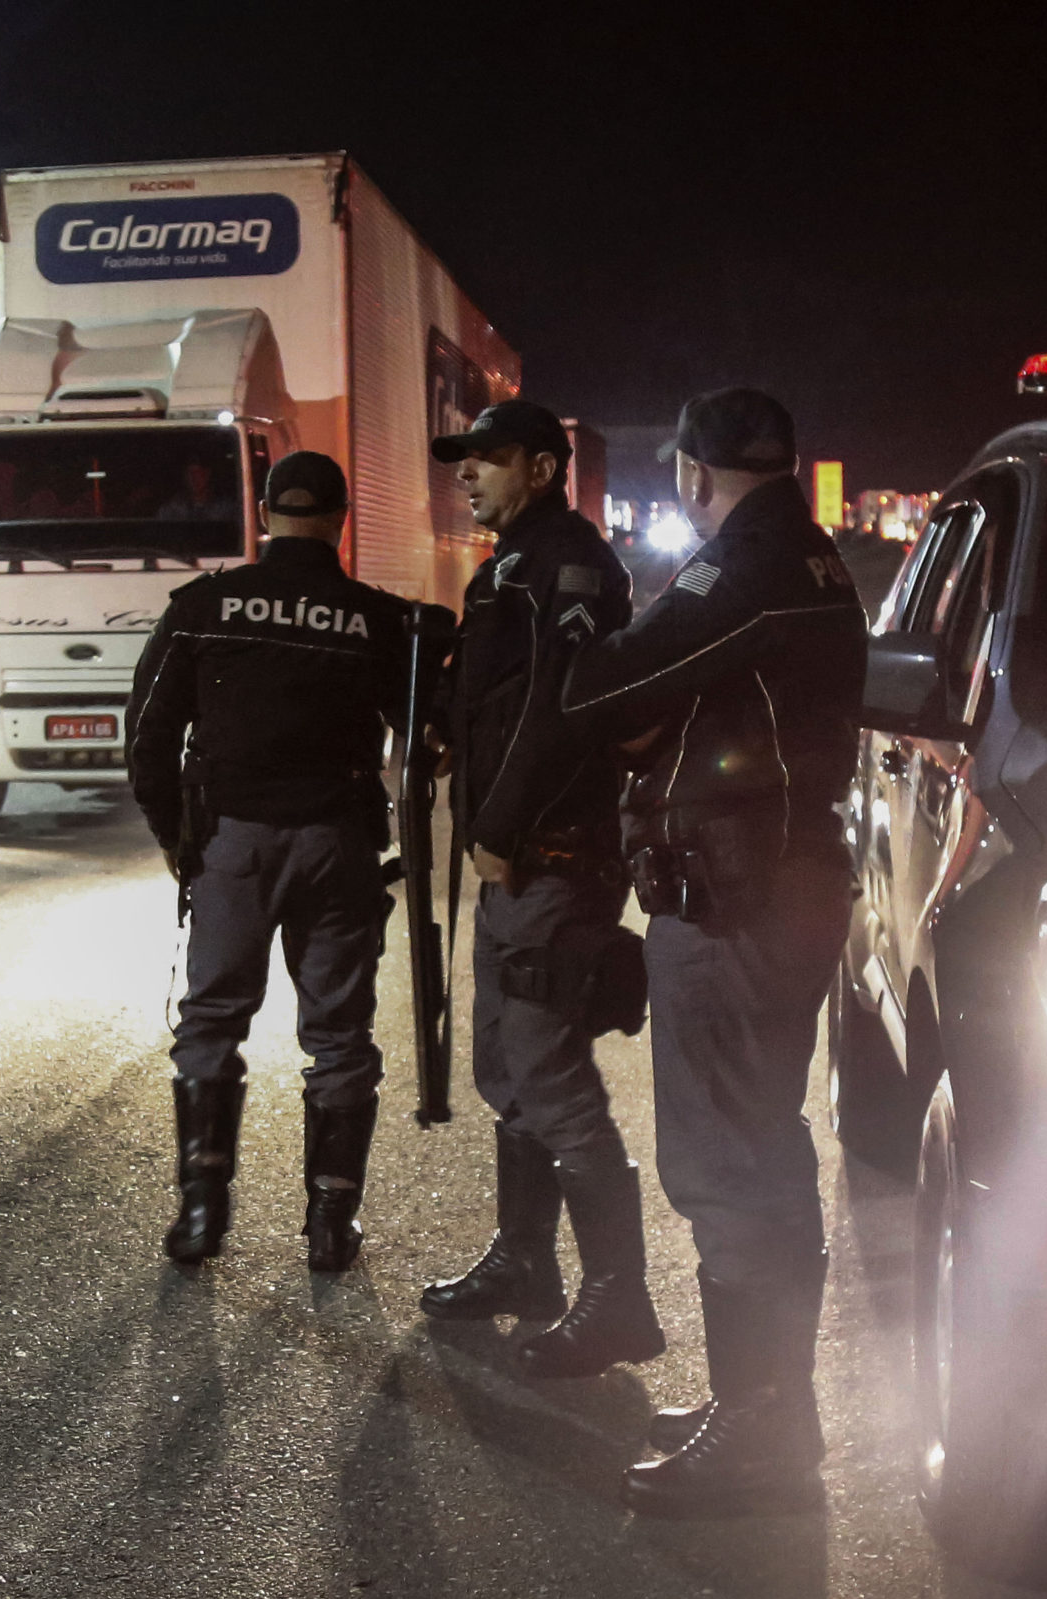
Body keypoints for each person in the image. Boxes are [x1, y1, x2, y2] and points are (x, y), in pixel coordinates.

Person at [559, 387, 869, 1517]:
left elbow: (604, 687)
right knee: (766, 1149)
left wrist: (585, 643)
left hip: (738, 898)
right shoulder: (815, 557)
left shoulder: (744, 567)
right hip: (785, 881)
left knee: (727, 1164)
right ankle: (770, 1404)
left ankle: (760, 1428)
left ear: (693, 473)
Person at [415, 400, 662, 1380]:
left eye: (489, 459)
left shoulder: (567, 566)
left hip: (551, 858)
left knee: (552, 1082)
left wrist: (501, 826)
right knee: (508, 1071)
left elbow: (560, 710)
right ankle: (526, 1264)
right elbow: (497, 698)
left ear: (544, 469)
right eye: (465, 460)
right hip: (518, 860)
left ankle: (619, 1300)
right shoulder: (510, 568)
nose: (468, 474)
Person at [125, 451, 415, 1272]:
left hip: (235, 844)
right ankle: (330, 1223)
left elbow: (147, 732)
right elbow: (425, 730)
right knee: (340, 1036)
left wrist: (177, 838)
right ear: (341, 520)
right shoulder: (375, 619)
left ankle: (201, 1213)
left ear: (264, 516)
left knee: (211, 1023)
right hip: (337, 845)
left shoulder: (204, 607)